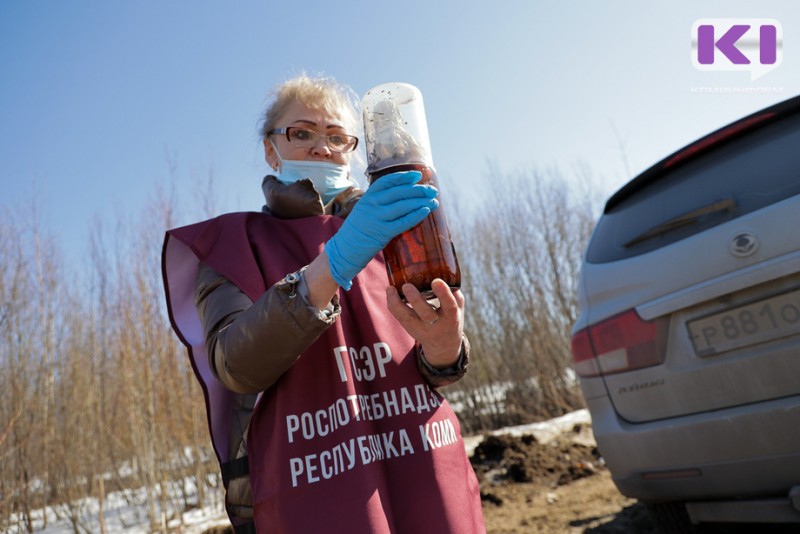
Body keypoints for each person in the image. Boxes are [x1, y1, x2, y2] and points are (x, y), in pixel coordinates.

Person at [162, 74, 485, 533]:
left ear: (355, 153)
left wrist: (445, 347)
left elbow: (434, 369)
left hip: (422, 466)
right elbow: (234, 364)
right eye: (302, 133)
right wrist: (332, 263)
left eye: (337, 137)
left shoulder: (400, 230)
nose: (321, 147)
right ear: (271, 150)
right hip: (315, 489)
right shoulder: (233, 246)